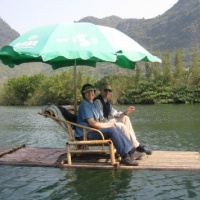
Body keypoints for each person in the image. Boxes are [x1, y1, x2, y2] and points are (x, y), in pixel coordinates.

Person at [75, 83, 139, 166]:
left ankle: (131, 151)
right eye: (87, 92)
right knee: (112, 130)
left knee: (116, 127)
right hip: (86, 133)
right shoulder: (84, 105)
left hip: (94, 130)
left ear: (94, 92)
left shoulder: (93, 105)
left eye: (92, 91)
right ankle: (125, 156)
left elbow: (101, 120)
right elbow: (92, 123)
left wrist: (110, 124)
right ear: (84, 94)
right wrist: (108, 126)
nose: (90, 93)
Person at [94, 83, 152, 155]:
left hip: (106, 122)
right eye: (105, 90)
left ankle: (134, 144)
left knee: (125, 118)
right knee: (121, 125)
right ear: (100, 90)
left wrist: (125, 112)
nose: (107, 92)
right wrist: (110, 123)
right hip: (101, 125)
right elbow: (101, 119)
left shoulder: (107, 102)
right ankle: (137, 146)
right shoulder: (98, 101)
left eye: (109, 91)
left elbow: (115, 113)